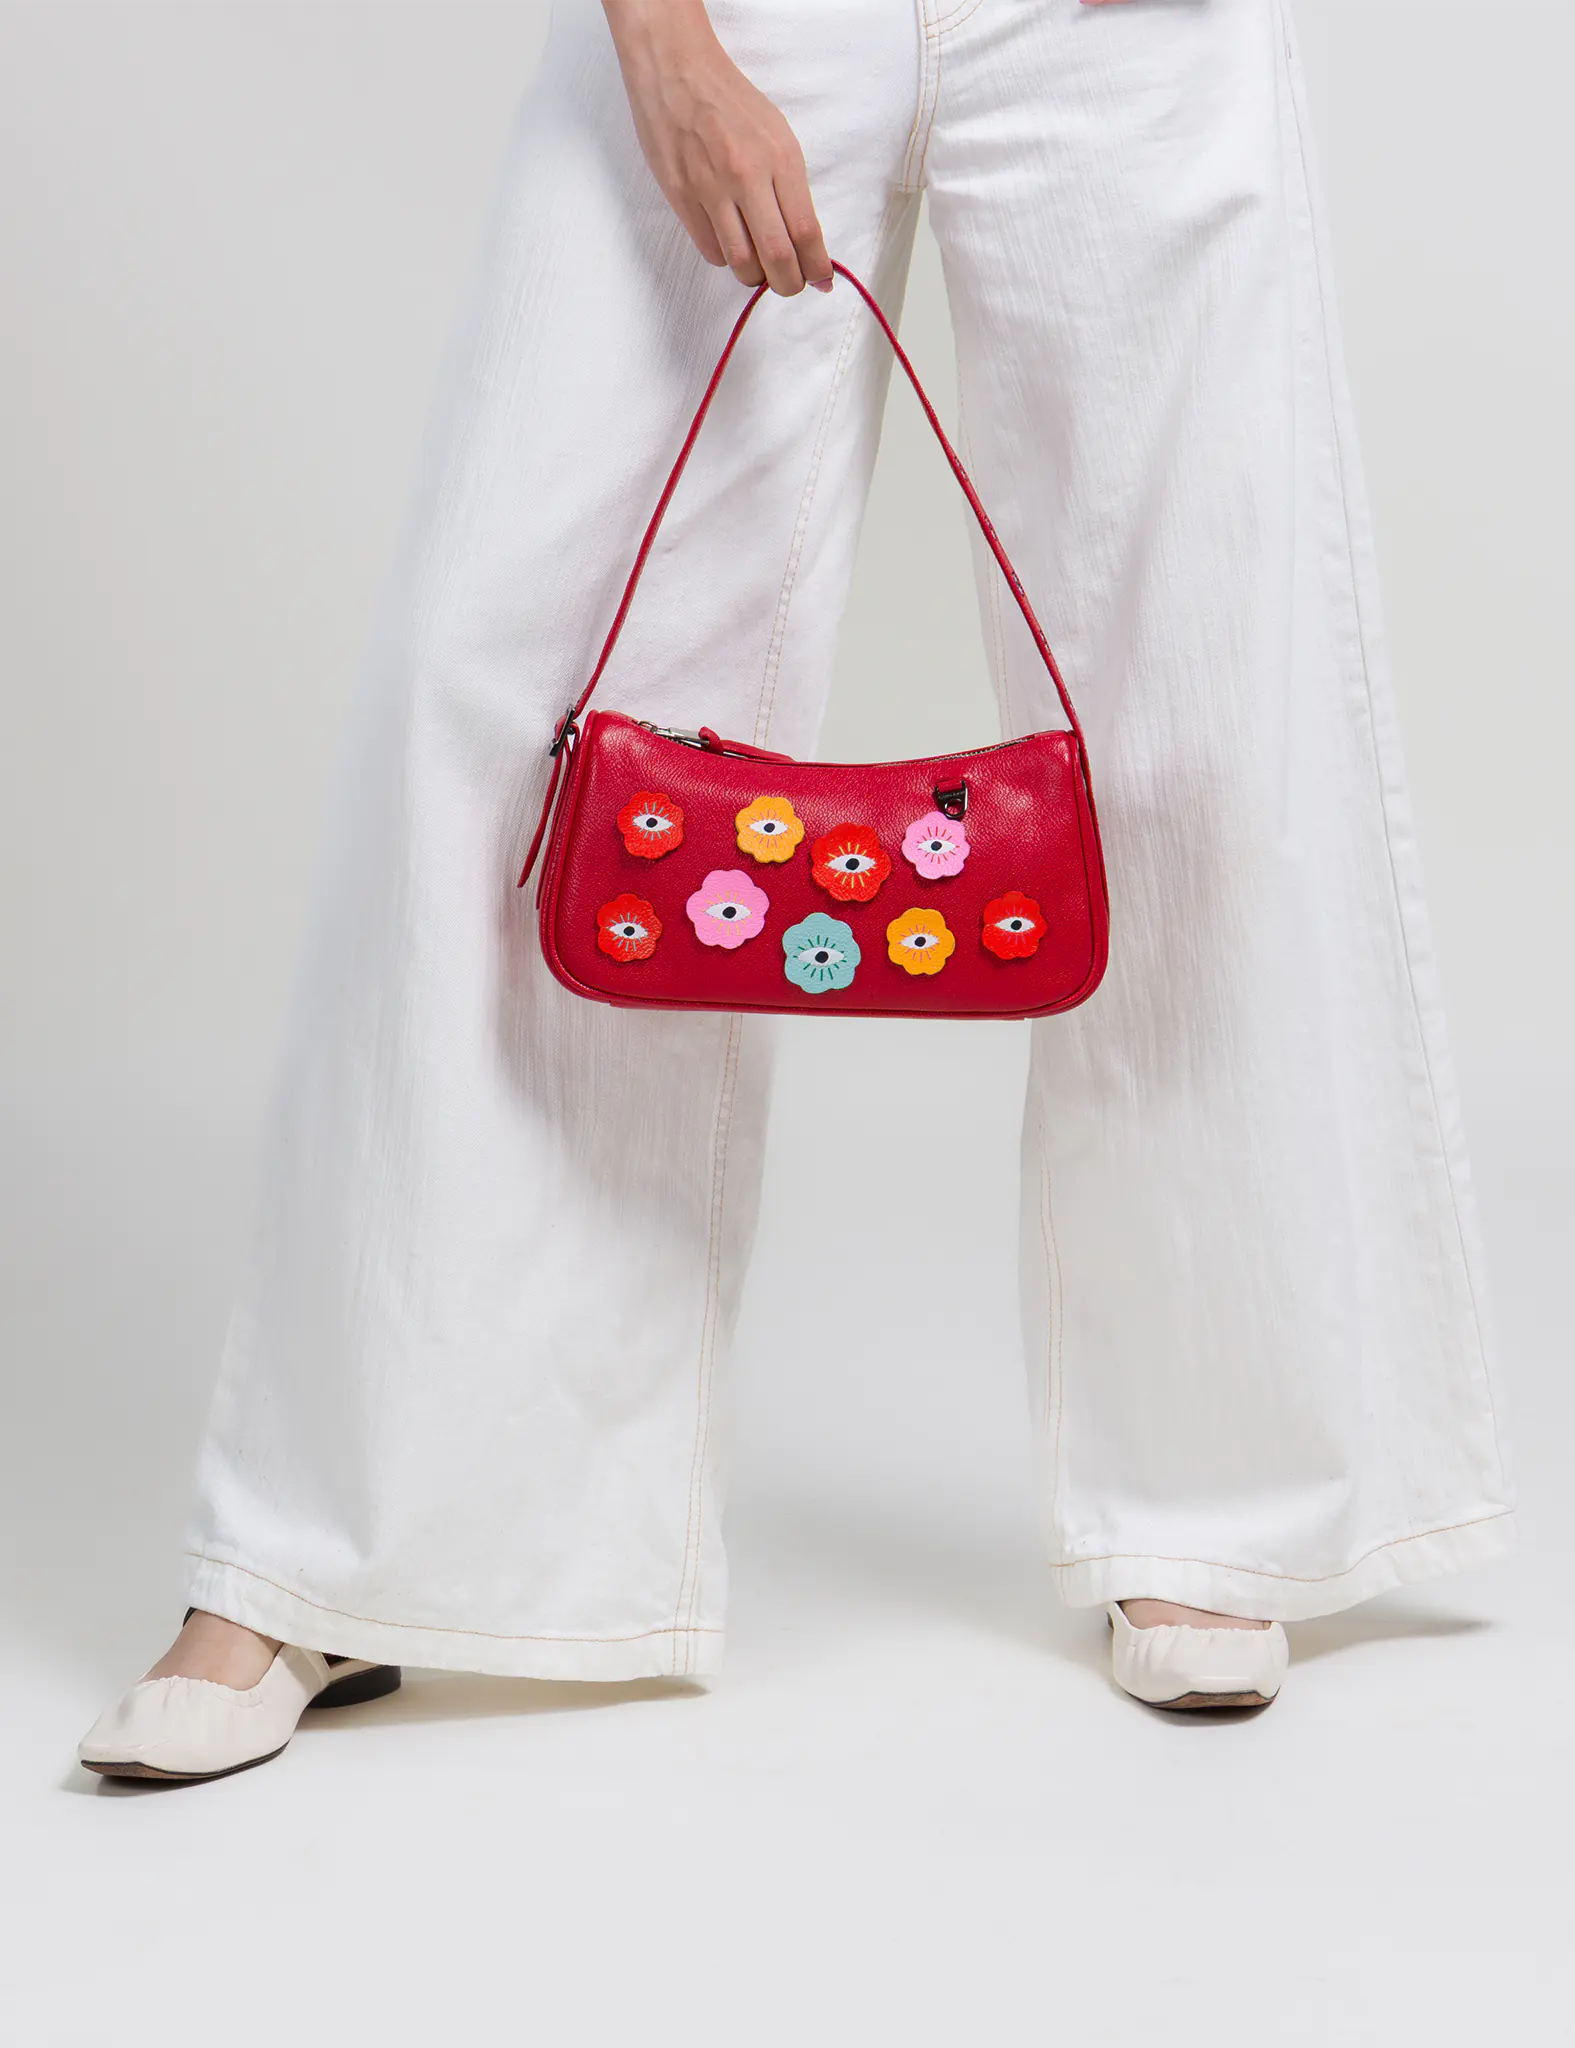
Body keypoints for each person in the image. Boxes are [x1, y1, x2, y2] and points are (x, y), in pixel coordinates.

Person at [80, 0, 1512, 1782]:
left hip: (1126, 39)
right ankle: (342, 1541)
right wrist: (662, 40)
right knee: (508, 681)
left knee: (1206, 696)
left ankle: (1221, 1507)